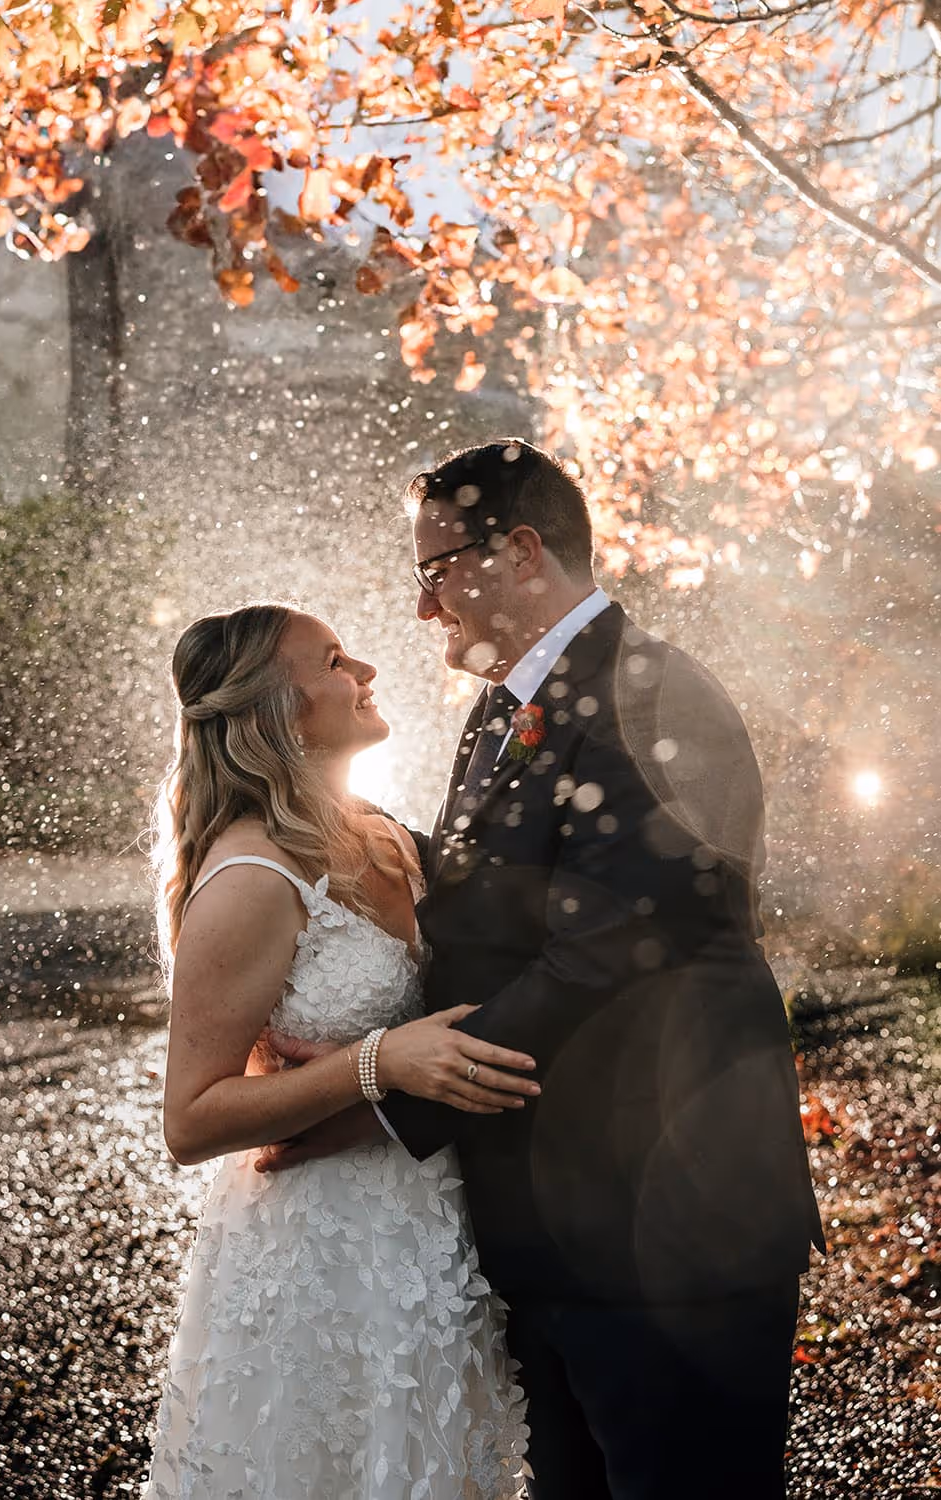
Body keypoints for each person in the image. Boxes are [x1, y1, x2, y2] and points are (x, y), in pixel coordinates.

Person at [257, 439, 826, 1500]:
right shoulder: (506, 703)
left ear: (519, 552)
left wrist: (373, 1093)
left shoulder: (653, 698)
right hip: (559, 1233)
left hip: (668, 1234)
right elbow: (499, 906)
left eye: (434, 572)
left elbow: (601, 959)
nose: (424, 609)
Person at [141, 602, 530, 1500]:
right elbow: (190, 1120)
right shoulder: (249, 879)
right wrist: (377, 1063)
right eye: (334, 660)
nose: (367, 670)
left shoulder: (387, 835)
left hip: (435, 1222)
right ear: (277, 708)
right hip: (327, 1249)